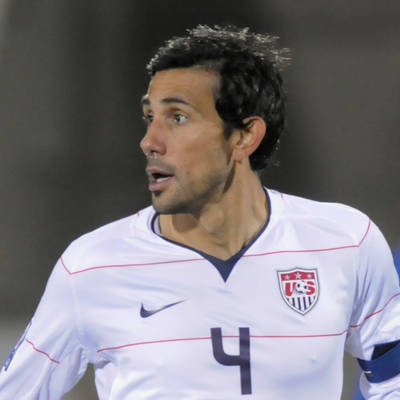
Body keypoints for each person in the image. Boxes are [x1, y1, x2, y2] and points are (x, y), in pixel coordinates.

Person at [1, 24, 399, 399]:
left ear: (245, 136)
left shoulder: (345, 241)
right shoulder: (91, 267)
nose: (149, 141)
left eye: (177, 117)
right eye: (149, 117)